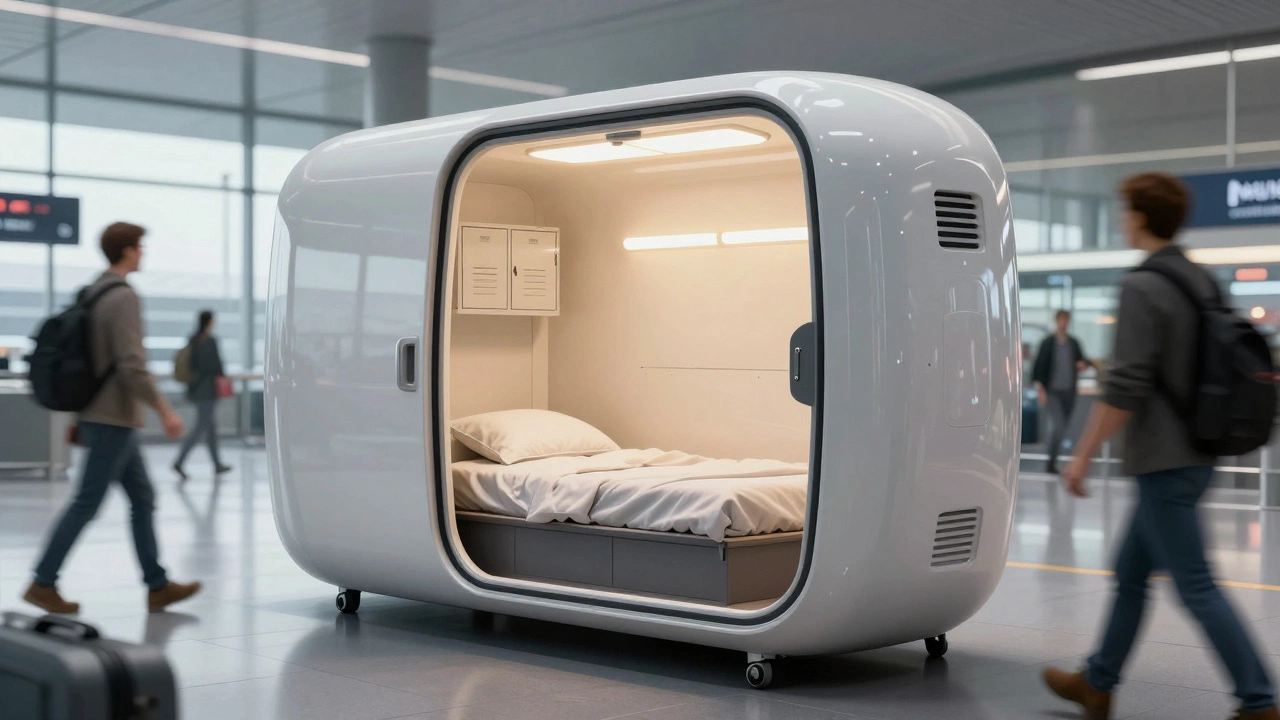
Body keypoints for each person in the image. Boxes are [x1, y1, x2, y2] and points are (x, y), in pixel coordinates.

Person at [1042, 173, 1278, 720]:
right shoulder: (1202, 279)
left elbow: (1126, 387)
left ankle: (1259, 700)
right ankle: (1097, 684)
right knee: (1129, 575)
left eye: (1126, 211)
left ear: (1142, 217)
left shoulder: (1142, 285)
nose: (1123, 219)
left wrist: (1081, 455)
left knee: (1195, 585)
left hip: (1164, 459)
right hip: (1199, 449)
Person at [23, 222, 203, 615]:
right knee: (87, 501)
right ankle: (42, 582)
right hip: (113, 417)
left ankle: (157, 585)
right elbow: (130, 365)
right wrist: (165, 410)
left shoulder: (93, 290)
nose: (143, 253)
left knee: (143, 497)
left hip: (101, 414)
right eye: (139, 247)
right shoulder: (122, 297)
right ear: (126, 251)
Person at [1031, 310, 1094, 474]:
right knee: (1059, 426)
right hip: (1052, 391)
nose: (1063, 322)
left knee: (1062, 427)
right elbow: (1038, 368)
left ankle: (1052, 462)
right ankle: (1051, 463)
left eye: (1066, 320)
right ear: (1057, 320)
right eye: (1061, 319)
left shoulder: (1073, 343)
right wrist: (1040, 389)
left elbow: (1082, 361)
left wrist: (1084, 364)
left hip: (1069, 391)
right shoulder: (1047, 343)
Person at [173, 309, 232, 480]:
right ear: (210, 322)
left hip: (196, 389)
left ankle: (217, 464)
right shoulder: (210, 341)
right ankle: (179, 461)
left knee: (210, 429)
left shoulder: (193, 339)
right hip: (208, 391)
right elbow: (216, 366)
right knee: (200, 428)